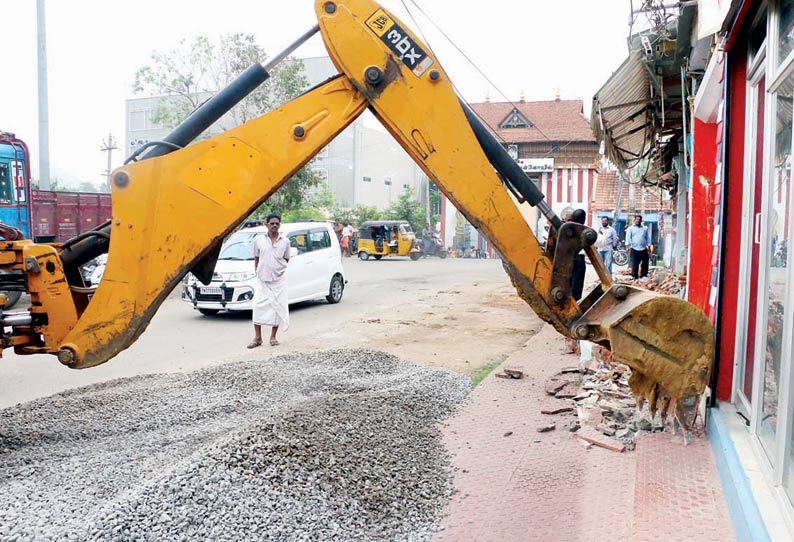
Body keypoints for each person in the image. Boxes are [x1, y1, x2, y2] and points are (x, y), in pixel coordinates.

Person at [248, 213, 290, 348]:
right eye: (272, 223)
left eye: (277, 223)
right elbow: (256, 258)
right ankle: (258, 338)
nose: (274, 225)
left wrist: (278, 268)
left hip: (278, 281)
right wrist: (258, 271)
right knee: (257, 307)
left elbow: (287, 258)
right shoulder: (259, 240)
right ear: (266, 225)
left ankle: (273, 337)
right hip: (262, 280)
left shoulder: (285, 241)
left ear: (280, 225)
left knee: (277, 308)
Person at [626, 214, 652, 279]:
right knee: (635, 264)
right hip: (634, 249)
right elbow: (628, 238)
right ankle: (634, 277)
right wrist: (627, 247)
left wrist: (649, 248)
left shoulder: (644, 228)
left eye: (639, 220)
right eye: (637, 219)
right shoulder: (630, 228)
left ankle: (643, 276)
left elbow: (648, 238)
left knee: (645, 264)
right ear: (635, 220)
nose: (638, 221)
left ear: (641, 220)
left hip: (643, 249)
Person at [570, 209, 587, 300]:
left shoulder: (568, 229)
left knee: (570, 282)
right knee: (577, 284)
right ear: (584, 219)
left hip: (568, 259)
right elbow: (601, 242)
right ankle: (574, 301)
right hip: (579, 259)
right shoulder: (584, 231)